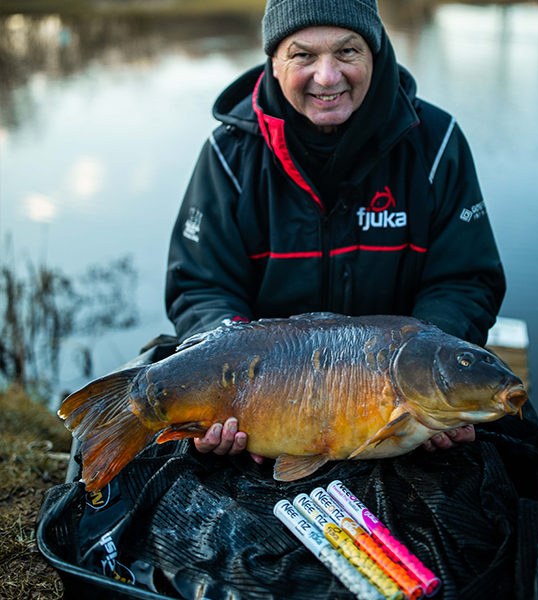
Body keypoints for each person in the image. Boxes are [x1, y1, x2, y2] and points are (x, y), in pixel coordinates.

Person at [165, 0, 505, 465]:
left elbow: (464, 279)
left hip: (394, 399)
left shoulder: (436, 141)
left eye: (347, 51)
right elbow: (202, 287)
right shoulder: (228, 153)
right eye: (303, 55)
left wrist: (430, 381)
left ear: (375, 53)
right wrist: (234, 390)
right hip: (267, 397)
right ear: (274, 60)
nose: (327, 77)